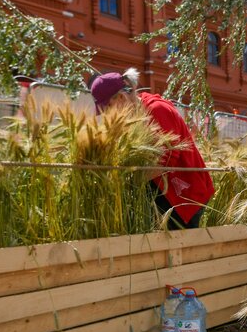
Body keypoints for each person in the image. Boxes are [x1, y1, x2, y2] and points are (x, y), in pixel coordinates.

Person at [90, 68, 215, 229]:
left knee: (177, 242)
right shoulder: (132, 115)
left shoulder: (157, 110)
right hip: (160, 189)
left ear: (121, 97)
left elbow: (164, 161)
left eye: (107, 108)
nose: (107, 115)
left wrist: (124, 181)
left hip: (184, 194)